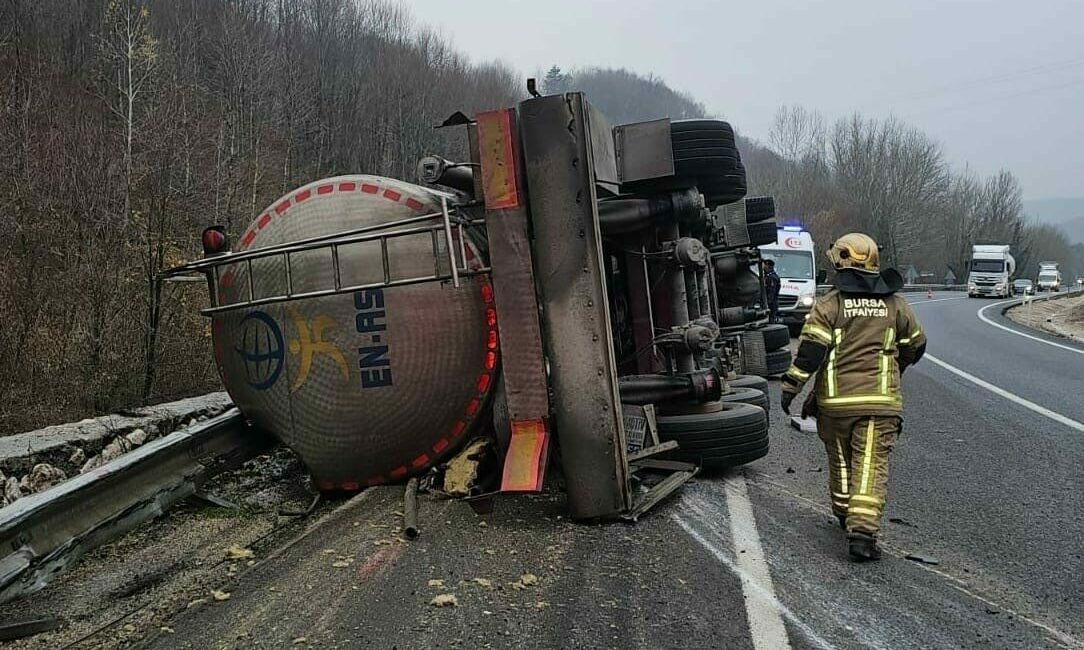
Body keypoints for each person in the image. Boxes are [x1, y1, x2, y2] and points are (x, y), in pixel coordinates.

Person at [779, 233, 926, 562]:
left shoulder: (829, 305)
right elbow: (917, 344)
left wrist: (791, 388)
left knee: (843, 462)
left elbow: (810, 355)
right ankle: (862, 531)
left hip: (834, 406)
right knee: (870, 466)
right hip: (879, 404)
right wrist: (895, 366)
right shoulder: (896, 305)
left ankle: (846, 514)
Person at [763, 259, 781, 323]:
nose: (763, 267)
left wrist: (768, 303)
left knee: (770, 321)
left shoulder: (772, 277)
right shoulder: (767, 276)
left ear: (767, 265)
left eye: (764, 265)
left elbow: (771, 292)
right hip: (771, 303)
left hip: (771, 304)